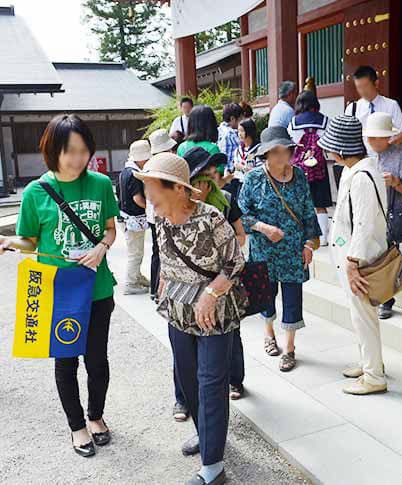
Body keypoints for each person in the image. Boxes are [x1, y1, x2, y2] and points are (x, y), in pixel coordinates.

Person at [0, 114, 119, 457]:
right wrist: (7, 243)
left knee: (98, 361)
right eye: (69, 151)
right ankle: (77, 427)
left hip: (96, 287)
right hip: (57, 291)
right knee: (65, 361)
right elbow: (30, 241)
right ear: (52, 151)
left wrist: (101, 248)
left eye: (83, 150)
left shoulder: (101, 184)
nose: (78, 159)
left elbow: (109, 229)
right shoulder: (36, 191)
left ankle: (96, 416)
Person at [136, 152, 246, 485]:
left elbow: (236, 262)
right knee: (188, 379)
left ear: (177, 189)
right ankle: (206, 435)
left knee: (211, 381)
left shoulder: (210, 218)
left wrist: (210, 294)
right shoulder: (160, 218)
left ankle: (213, 467)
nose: (147, 196)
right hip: (178, 311)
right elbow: (166, 262)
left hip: (213, 311)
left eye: (152, 187)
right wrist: (166, 288)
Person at [238, 126, 321, 372]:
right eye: (274, 152)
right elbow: (241, 216)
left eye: (284, 150)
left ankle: (290, 348)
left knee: (293, 297)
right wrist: (263, 228)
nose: (280, 156)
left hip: (293, 251)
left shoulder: (299, 177)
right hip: (264, 249)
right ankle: (269, 334)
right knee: (266, 295)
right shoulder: (254, 179)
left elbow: (308, 212)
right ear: (265, 154)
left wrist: (309, 243)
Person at [317, 115, 390, 395]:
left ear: (342, 148)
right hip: (353, 255)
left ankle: (373, 376)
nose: (328, 152)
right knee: (360, 314)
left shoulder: (361, 176)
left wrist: (352, 262)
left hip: (360, 259)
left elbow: (363, 224)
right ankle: (369, 362)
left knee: (363, 315)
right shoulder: (358, 169)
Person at [185, 147, 247, 400]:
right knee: (187, 342)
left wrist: (221, 248)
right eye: (203, 177)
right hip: (189, 284)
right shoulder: (177, 208)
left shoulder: (225, 200)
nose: (210, 182)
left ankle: (235, 380)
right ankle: (183, 395)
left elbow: (241, 237)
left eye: (213, 174)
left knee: (230, 331)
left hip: (224, 278)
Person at [363, 112, 402, 320]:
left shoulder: (400, 155)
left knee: (387, 254)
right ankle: (373, 292)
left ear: (388, 137)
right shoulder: (363, 155)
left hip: (391, 211)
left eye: (379, 137)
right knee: (369, 254)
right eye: (371, 137)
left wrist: (394, 181)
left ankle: (387, 299)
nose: (374, 141)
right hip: (368, 210)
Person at [288, 89, 332, 245]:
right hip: (319, 167)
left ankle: (305, 236)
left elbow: (291, 143)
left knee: (300, 203)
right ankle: (324, 238)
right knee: (320, 204)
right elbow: (328, 141)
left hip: (300, 167)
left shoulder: (294, 122)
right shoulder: (325, 120)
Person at [147, 129, 178, 302]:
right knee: (167, 252)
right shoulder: (168, 165)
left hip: (153, 215)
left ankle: (155, 290)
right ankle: (163, 292)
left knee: (157, 252)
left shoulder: (148, 166)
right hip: (165, 213)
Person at [119, 140, 152, 295]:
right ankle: (130, 282)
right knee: (136, 253)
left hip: (125, 217)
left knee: (135, 250)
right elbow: (137, 199)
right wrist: (151, 208)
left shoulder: (124, 171)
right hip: (133, 218)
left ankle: (136, 276)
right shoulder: (134, 174)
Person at [217, 103, 243, 196]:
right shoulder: (232, 134)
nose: (242, 122)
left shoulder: (219, 130)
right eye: (240, 119)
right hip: (230, 176)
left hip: (219, 176)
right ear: (232, 119)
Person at [231, 118, 262, 189]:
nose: (239, 134)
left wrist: (243, 168)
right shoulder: (238, 150)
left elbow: (261, 171)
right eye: (238, 131)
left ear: (249, 131)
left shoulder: (259, 150)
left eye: (242, 131)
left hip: (254, 186)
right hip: (239, 184)